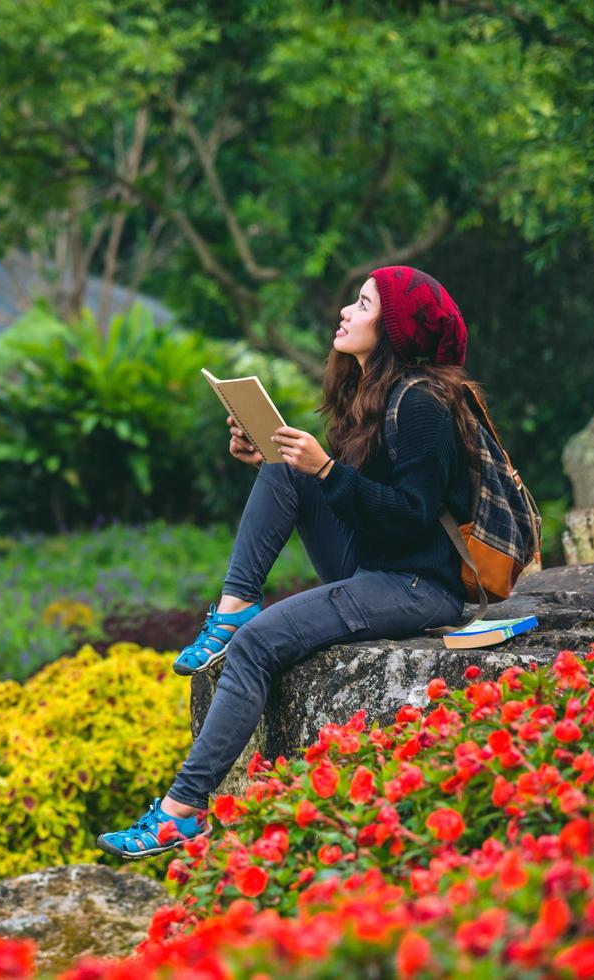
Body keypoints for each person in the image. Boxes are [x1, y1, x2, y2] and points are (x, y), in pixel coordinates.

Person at [97, 265, 487, 858]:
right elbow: (358, 504)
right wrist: (287, 466)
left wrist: (326, 470)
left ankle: (181, 812)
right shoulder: (370, 395)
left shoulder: (426, 403)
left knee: (256, 646)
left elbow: (412, 515)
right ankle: (233, 608)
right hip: (373, 563)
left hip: (417, 584)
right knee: (282, 461)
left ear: (397, 330)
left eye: (363, 305)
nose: (346, 313)